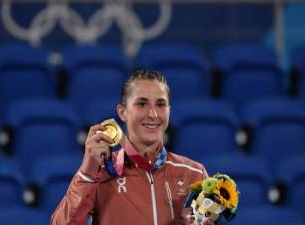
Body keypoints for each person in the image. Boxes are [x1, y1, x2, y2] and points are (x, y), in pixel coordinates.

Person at [50, 70, 208, 225]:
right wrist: (87, 175)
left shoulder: (194, 174)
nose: (153, 114)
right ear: (123, 112)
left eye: (161, 104)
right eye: (142, 104)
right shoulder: (101, 172)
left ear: (169, 111)